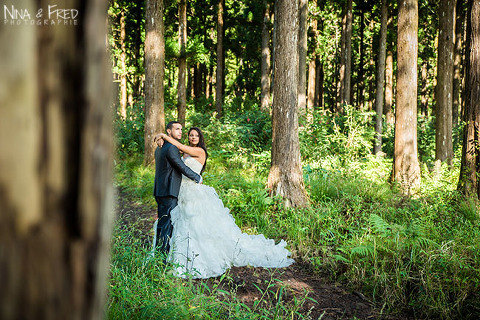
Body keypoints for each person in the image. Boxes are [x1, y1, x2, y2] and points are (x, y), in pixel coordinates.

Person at [153, 127, 294, 279]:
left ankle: (200, 257)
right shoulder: (186, 152)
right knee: (181, 224)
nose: (193, 137)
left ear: (200, 138)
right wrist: (163, 140)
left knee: (198, 225)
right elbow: (174, 152)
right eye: (191, 135)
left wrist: (162, 135)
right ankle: (175, 256)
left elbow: (178, 146)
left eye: (196, 135)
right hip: (182, 191)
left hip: (194, 190)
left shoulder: (199, 151)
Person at [152, 121, 202, 258]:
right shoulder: (171, 147)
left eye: (181, 129)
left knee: (162, 224)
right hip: (169, 190)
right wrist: (197, 177)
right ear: (169, 131)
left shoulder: (160, 147)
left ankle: (159, 255)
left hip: (160, 190)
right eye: (177, 129)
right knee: (168, 225)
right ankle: (162, 260)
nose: (180, 131)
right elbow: (181, 166)